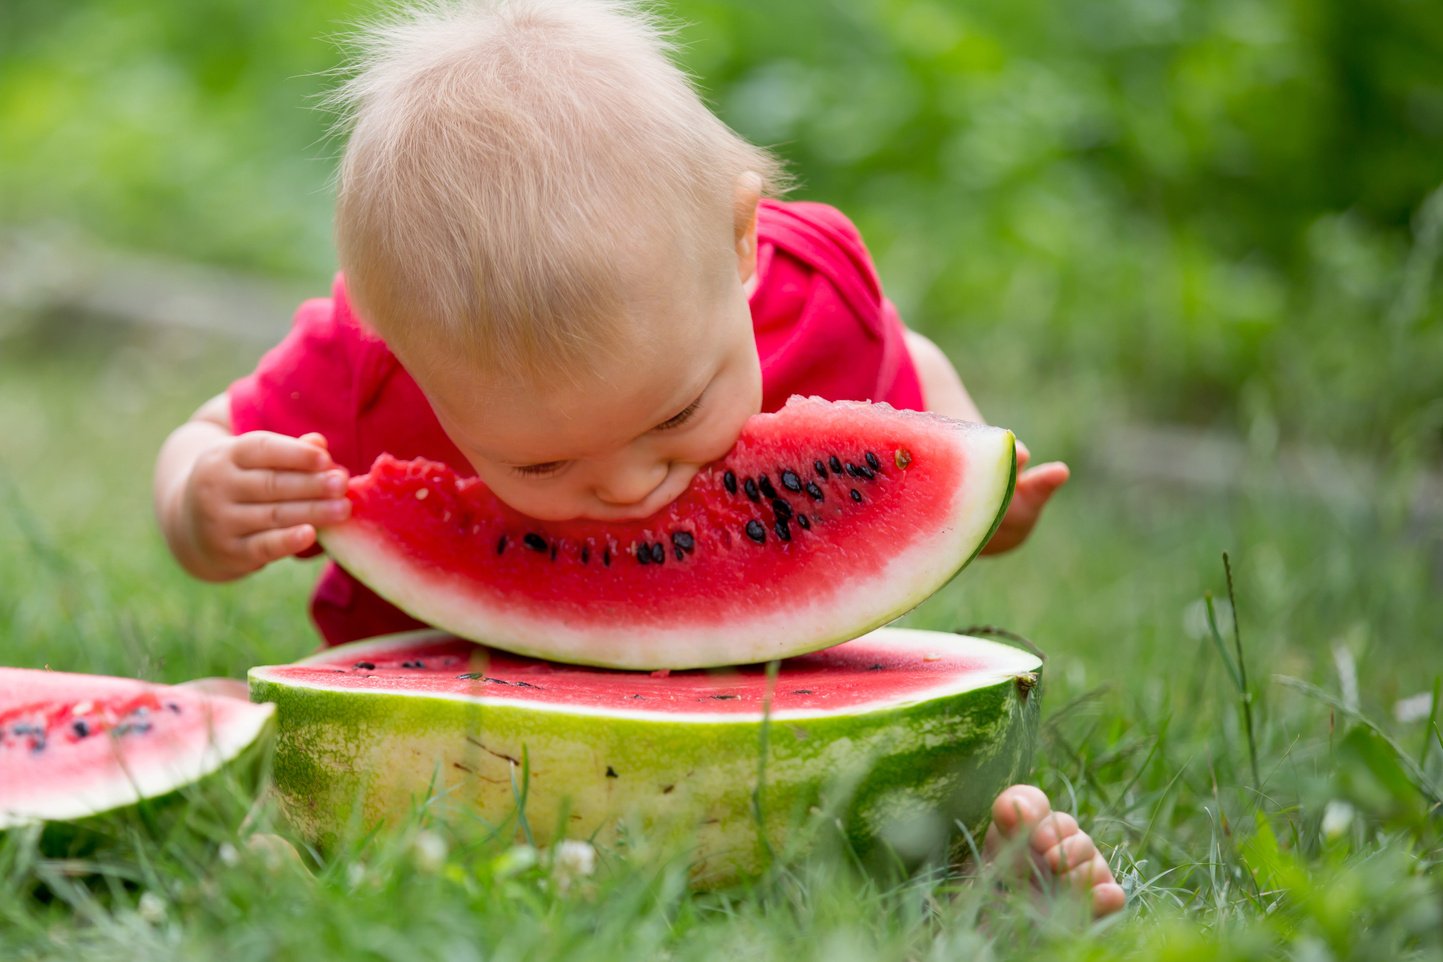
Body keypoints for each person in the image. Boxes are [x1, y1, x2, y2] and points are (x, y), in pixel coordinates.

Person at [152, 0, 1123, 916]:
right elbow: (204, 435)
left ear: (741, 243)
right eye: (538, 467)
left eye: (680, 412)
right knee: (234, 730)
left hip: (774, 727)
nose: (624, 485)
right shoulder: (367, 365)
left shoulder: (809, 294)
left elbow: (912, 375)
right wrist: (205, 498)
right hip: (448, 748)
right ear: (402, 352)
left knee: (887, 789)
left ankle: (984, 881)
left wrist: (985, 494)